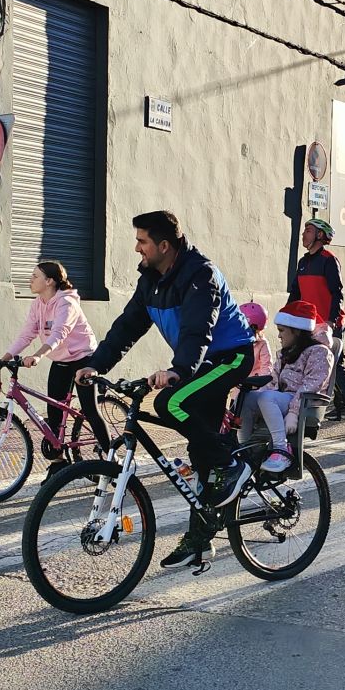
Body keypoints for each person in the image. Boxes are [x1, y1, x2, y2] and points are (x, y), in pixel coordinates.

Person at [81, 210, 257, 568]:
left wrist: (178, 370)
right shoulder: (150, 280)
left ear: (164, 245)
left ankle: (231, 463)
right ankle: (201, 537)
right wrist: (96, 364)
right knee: (198, 452)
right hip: (200, 362)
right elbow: (126, 327)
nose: (136, 248)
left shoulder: (199, 274)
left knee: (169, 403)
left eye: (142, 241)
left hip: (230, 356)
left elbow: (197, 330)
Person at [0, 260, 101, 461]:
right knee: (54, 411)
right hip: (60, 360)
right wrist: (3, 359)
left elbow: (59, 334)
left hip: (83, 358)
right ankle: (58, 464)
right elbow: (26, 335)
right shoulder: (38, 304)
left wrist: (37, 356)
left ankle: (110, 455)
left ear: (49, 281)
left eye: (35, 276)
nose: (30, 280)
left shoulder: (67, 303)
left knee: (90, 408)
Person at [289, 217, 345, 435]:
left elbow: (337, 293)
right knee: (302, 365)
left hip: (330, 323)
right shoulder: (303, 262)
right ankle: (336, 406)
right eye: (304, 231)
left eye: (308, 231)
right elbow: (295, 294)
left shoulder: (329, 260)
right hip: (309, 324)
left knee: (334, 369)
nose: (304, 234)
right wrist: (287, 318)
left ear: (320, 236)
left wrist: (330, 321)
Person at [244, 299, 332, 474]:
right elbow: (272, 380)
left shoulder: (320, 352)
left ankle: (282, 448)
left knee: (266, 398)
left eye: (282, 331)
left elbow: (311, 385)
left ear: (297, 330)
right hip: (279, 399)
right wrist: (259, 391)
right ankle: (245, 448)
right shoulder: (288, 352)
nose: (279, 336)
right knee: (247, 398)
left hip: (303, 405)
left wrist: (293, 412)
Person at [240, 302, 274, 381]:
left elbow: (266, 366)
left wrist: (260, 386)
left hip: (254, 382)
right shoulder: (237, 341)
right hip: (237, 382)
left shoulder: (262, 343)